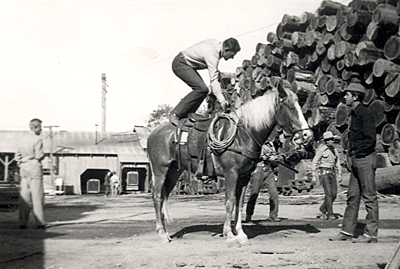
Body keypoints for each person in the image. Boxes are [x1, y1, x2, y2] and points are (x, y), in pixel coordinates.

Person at [329, 83, 378, 243]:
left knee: (369, 197)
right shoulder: (354, 114)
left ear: (356, 97)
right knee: (352, 196)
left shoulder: (365, 113)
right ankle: (347, 231)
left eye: (348, 94)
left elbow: (370, 140)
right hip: (356, 159)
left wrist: (357, 154)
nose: (345, 97)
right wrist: (350, 156)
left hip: (365, 159)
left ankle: (371, 234)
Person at [169, 38, 241, 126]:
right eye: (232, 54)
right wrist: (221, 100)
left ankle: (187, 116)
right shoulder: (212, 54)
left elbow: (214, 72)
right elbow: (213, 80)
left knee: (203, 90)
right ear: (226, 50)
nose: (232, 57)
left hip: (184, 63)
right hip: (180, 63)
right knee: (201, 89)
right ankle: (175, 114)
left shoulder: (215, 46)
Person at [15, 118, 46, 229]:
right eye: (40, 127)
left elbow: (17, 156)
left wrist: (22, 163)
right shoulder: (37, 139)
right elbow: (39, 155)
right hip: (34, 167)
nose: (41, 129)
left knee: (24, 197)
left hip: (24, 167)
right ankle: (40, 222)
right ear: (36, 127)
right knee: (37, 197)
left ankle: (22, 223)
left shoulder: (21, 139)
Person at [246, 142, 281, 222]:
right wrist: (262, 157)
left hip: (269, 170)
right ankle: (249, 215)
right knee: (254, 193)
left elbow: (274, 154)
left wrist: (274, 158)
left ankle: (273, 215)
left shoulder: (271, 144)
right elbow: (251, 156)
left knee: (274, 194)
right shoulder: (257, 142)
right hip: (258, 170)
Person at [311, 131, 341, 220]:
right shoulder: (322, 149)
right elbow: (315, 161)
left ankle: (323, 209)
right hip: (324, 172)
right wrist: (313, 174)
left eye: (331, 139)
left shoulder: (334, 150)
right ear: (325, 141)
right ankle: (330, 214)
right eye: (328, 140)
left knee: (334, 194)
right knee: (328, 194)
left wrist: (340, 174)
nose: (330, 141)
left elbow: (337, 162)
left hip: (332, 172)